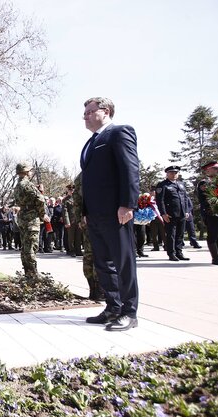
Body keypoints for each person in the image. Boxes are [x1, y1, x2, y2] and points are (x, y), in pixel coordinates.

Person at [80, 97, 140, 331]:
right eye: (84, 113)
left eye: (89, 111)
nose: (85, 116)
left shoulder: (119, 132)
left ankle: (129, 312)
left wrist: (127, 204)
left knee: (123, 262)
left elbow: (130, 168)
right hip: (95, 215)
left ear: (105, 112)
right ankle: (112, 307)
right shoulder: (90, 142)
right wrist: (86, 212)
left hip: (116, 212)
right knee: (103, 264)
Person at [13, 162, 47, 279]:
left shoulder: (17, 186)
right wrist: (43, 215)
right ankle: (33, 274)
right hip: (31, 218)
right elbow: (40, 200)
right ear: (27, 172)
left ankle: (28, 272)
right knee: (32, 246)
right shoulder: (28, 185)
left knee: (25, 246)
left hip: (22, 217)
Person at [73, 172, 104, 300]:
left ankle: (93, 289)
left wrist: (79, 219)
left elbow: (77, 200)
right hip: (100, 218)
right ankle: (100, 290)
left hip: (86, 219)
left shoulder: (79, 177)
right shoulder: (97, 173)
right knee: (100, 254)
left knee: (89, 254)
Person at [156, 165, 191, 261]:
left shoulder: (181, 184)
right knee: (171, 234)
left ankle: (179, 252)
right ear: (167, 174)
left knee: (180, 234)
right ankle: (171, 253)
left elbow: (185, 198)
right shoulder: (162, 185)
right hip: (170, 214)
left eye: (176, 172)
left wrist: (187, 211)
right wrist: (163, 213)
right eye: (171, 172)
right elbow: (160, 200)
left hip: (182, 213)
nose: (174, 174)